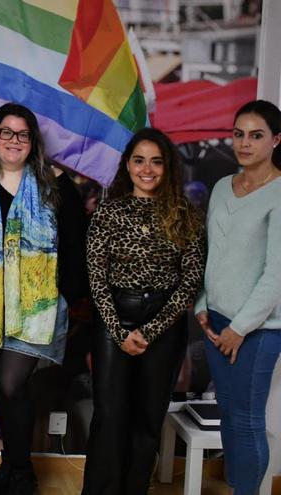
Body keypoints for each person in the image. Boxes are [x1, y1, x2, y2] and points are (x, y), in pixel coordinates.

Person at [0, 103, 88, 495]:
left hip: (34, 308)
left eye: (22, 134)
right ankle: (13, 471)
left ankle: (20, 472)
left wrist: (64, 293)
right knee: (9, 390)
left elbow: (76, 243)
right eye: (6, 132)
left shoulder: (55, 184)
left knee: (13, 386)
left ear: (33, 141)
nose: (14, 141)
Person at [81, 128, 205, 495]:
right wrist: (120, 333)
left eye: (156, 161)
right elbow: (96, 278)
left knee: (148, 419)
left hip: (164, 324)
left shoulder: (186, 216)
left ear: (168, 167)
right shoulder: (109, 212)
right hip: (112, 321)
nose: (147, 169)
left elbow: (190, 281)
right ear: (128, 166)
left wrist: (149, 333)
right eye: (139, 160)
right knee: (109, 416)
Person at [194, 100, 281, 495]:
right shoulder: (220, 187)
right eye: (239, 134)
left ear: (276, 140)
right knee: (228, 417)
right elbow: (210, 253)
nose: (244, 143)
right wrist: (201, 308)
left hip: (257, 330)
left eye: (256, 135)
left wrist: (241, 328)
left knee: (246, 420)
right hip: (215, 321)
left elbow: (276, 275)